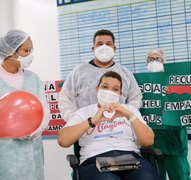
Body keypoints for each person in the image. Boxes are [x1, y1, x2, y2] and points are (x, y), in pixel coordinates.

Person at [58, 71, 159, 180]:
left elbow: (148, 141)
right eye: (105, 87)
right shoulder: (84, 112)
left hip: (131, 159)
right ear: (97, 88)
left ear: (120, 93)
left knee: (147, 177)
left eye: (115, 89)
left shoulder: (130, 110)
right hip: (94, 161)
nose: (109, 92)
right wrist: (92, 121)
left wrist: (130, 116)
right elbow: (63, 140)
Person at [59, 29, 142, 122]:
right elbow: (65, 97)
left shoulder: (125, 73)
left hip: (119, 128)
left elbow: (135, 98)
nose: (104, 47)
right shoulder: (79, 72)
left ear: (114, 49)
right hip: (85, 129)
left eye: (108, 44)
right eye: (99, 44)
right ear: (93, 49)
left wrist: (126, 118)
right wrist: (74, 120)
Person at [0, 29, 49, 180]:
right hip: (4, 155)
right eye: (26, 50)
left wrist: (37, 129)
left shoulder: (33, 79)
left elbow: (45, 111)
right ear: (10, 50)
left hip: (32, 154)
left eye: (31, 50)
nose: (30, 55)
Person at [146, 49, 191, 180]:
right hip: (151, 144)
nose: (154, 62)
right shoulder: (141, 85)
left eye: (158, 59)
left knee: (180, 176)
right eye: (150, 59)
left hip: (173, 142)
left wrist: (174, 94)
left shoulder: (175, 82)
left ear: (164, 62)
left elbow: (188, 107)